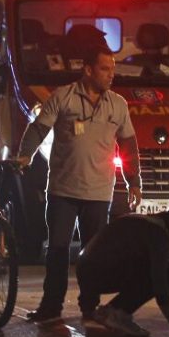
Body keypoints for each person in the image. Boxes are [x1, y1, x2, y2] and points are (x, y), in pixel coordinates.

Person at [16, 44, 142, 322]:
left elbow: (128, 144)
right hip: (63, 190)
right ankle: (51, 306)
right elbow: (39, 128)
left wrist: (134, 181)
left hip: (99, 192)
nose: (111, 75)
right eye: (105, 69)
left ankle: (89, 306)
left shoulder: (117, 104)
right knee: (58, 250)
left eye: (113, 69)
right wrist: (25, 155)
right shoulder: (63, 98)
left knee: (93, 255)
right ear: (87, 70)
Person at [76, 202, 169, 337]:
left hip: (87, 270)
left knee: (168, 269)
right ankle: (117, 314)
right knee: (165, 271)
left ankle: (110, 311)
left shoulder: (147, 222)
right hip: (99, 272)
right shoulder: (159, 234)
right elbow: (160, 282)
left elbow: (166, 276)